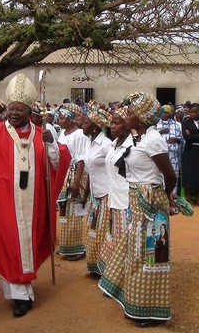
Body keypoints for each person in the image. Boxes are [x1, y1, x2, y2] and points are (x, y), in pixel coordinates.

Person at [0, 75, 69, 317]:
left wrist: (51, 144)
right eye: (11, 108)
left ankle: (22, 288)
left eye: (20, 109)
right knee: (9, 243)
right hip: (4, 202)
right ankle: (20, 295)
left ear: (30, 111)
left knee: (27, 243)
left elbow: (57, 162)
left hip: (34, 204)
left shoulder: (42, 133)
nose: (14, 113)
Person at [99, 92, 177, 328]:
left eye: (131, 113)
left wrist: (161, 197)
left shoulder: (153, 140)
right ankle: (136, 301)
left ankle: (149, 311)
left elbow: (170, 176)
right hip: (137, 200)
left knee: (152, 253)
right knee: (137, 251)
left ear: (141, 119)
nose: (127, 115)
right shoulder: (139, 138)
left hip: (151, 204)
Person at [98, 108, 132, 274]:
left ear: (128, 125)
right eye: (111, 122)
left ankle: (122, 277)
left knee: (124, 243)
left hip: (126, 203)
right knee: (115, 239)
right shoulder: (113, 145)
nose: (112, 126)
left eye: (117, 123)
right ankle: (114, 275)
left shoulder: (132, 147)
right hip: (113, 200)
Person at [81, 101, 112, 275]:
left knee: (103, 232)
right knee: (92, 230)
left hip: (107, 194)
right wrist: (85, 193)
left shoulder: (106, 145)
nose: (82, 125)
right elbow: (90, 171)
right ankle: (94, 266)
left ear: (95, 127)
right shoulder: (88, 143)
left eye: (86, 123)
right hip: (95, 195)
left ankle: (105, 269)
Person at [56, 102, 89, 261]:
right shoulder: (63, 133)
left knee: (73, 210)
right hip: (64, 174)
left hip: (75, 174)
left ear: (70, 119)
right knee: (63, 209)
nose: (59, 120)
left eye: (62, 117)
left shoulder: (80, 135)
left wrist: (76, 182)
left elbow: (81, 159)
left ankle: (77, 248)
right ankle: (65, 246)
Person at [156, 105, 184, 186]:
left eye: (167, 113)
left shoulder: (176, 125)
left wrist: (177, 140)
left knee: (172, 181)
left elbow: (182, 141)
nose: (165, 115)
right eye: (163, 113)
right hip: (160, 156)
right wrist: (160, 132)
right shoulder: (156, 125)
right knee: (160, 180)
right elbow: (150, 138)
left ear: (171, 113)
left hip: (173, 157)